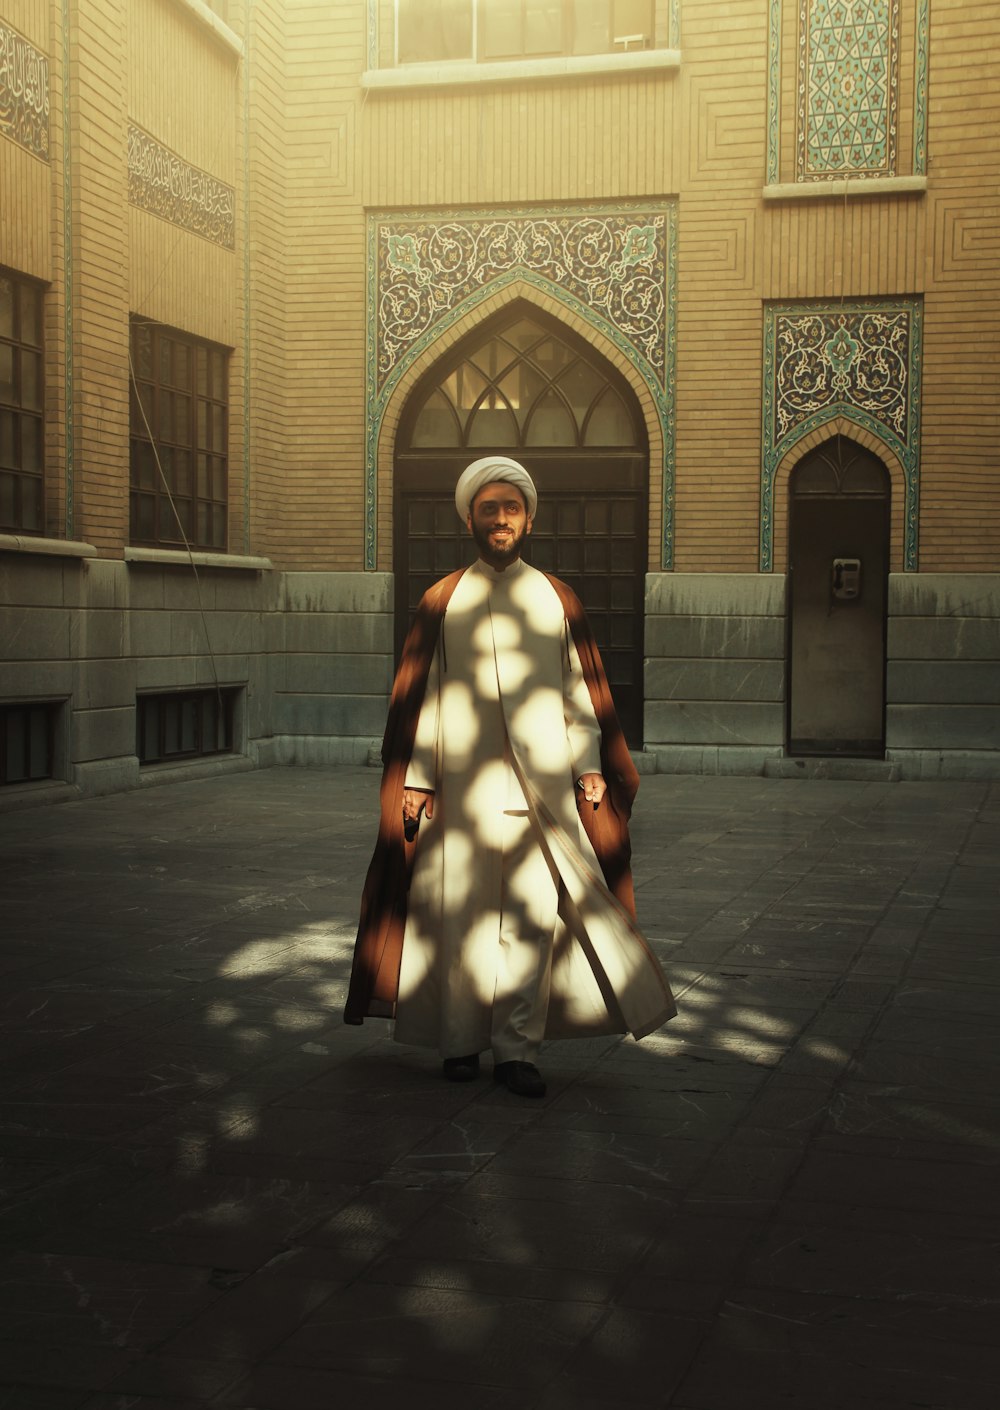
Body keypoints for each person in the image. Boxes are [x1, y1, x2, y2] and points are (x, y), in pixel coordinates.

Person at [344, 455, 675, 1096]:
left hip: (543, 790)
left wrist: (589, 769)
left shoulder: (555, 597)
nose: (501, 519)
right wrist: (417, 778)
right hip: (460, 794)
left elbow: (580, 692)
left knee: (532, 920)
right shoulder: (444, 598)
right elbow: (427, 698)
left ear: (528, 519)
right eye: (489, 508)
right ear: (470, 517)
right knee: (460, 920)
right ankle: (461, 1042)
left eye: (512, 508)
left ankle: (517, 1049)